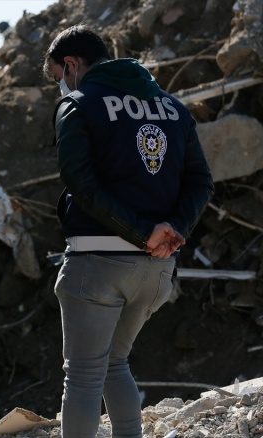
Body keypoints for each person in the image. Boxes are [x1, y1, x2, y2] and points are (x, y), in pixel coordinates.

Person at [42, 24, 214, 438]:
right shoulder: (174, 108)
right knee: (114, 363)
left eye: (56, 77)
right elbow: (201, 182)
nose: (60, 87)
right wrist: (171, 231)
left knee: (82, 376)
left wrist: (142, 232)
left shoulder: (79, 106)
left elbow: (81, 184)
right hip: (156, 271)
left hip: (98, 266)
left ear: (71, 64)